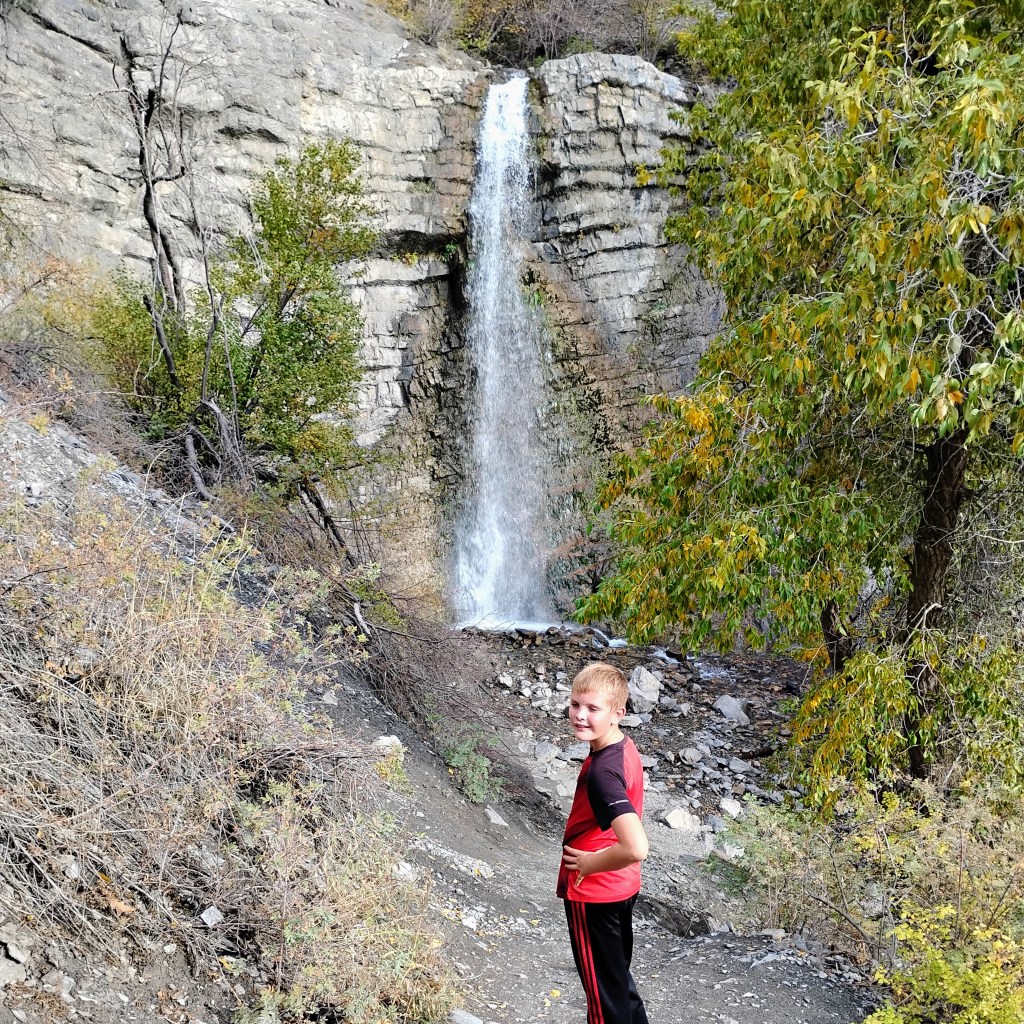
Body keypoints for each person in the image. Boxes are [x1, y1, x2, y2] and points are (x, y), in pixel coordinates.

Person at [558, 663, 650, 1024]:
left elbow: (636, 847)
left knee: (603, 1003)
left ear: (617, 714)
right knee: (618, 986)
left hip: (595, 892)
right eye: (575, 704)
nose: (580, 715)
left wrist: (588, 864)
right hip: (622, 887)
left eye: (592, 708)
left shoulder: (602, 773)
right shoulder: (622, 747)